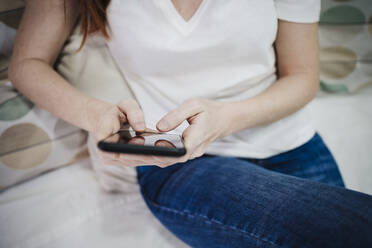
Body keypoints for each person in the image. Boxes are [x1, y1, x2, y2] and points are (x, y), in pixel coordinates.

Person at [9, 0, 372, 247]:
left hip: (291, 144)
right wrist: (95, 115)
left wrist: (226, 118)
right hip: (177, 161)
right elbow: (28, 63)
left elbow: (303, 77)